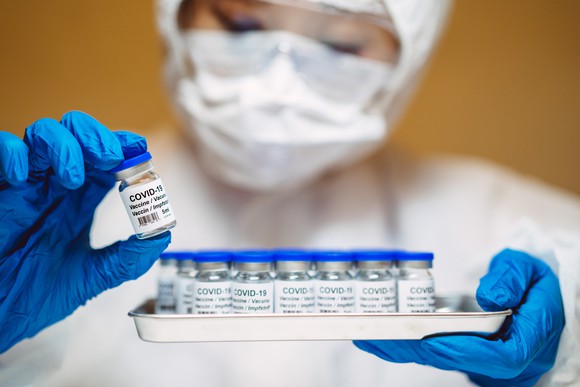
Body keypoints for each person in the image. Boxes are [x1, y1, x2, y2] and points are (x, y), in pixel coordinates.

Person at [0, 0, 579, 386]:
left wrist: (572, 332)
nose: (278, 86)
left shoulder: (501, 217)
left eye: (345, 45)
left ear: (410, 57)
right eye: (240, 24)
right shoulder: (51, 218)